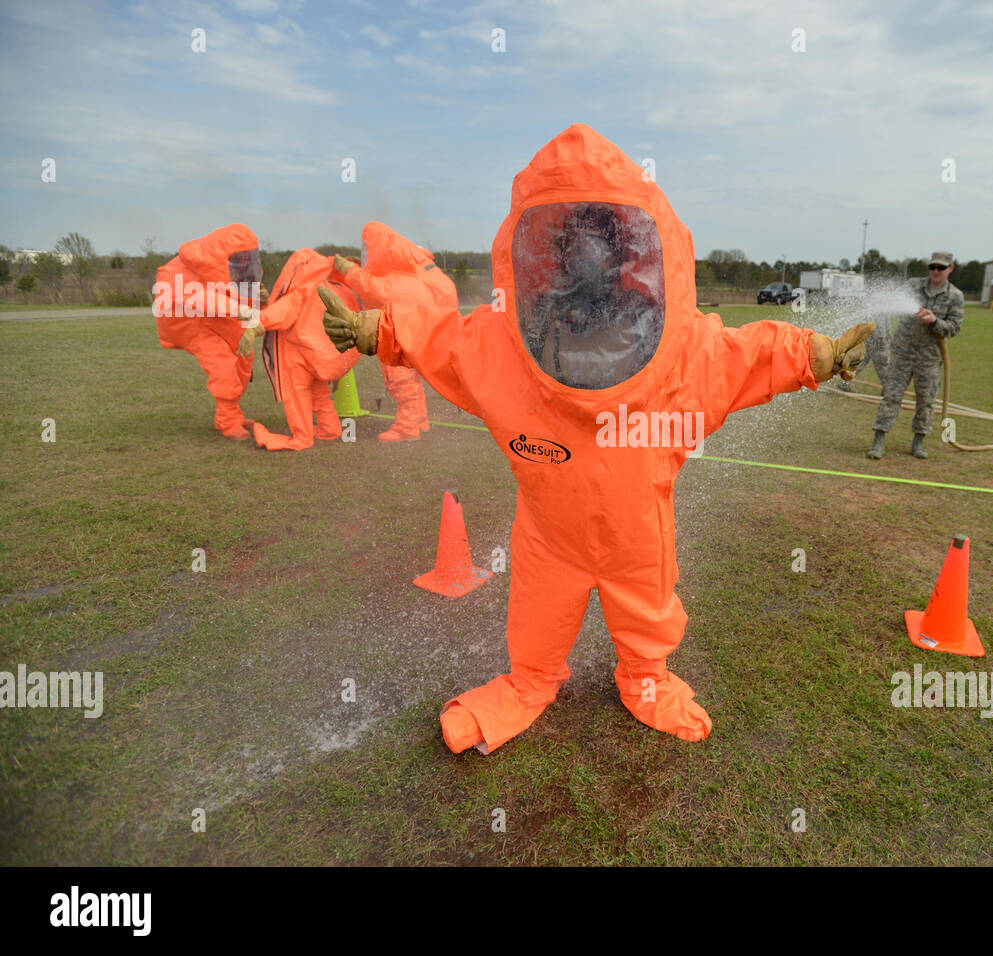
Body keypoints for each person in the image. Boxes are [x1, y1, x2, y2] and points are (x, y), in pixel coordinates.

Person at [317, 124, 873, 755]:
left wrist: (815, 353)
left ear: (625, 249)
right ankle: (528, 682)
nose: (582, 257)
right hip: (547, 535)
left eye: (595, 242)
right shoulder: (510, 343)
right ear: (546, 251)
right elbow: (445, 341)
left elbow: (743, 354)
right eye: (570, 242)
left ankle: (645, 678)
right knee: (535, 619)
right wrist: (376, 327)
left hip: (638, 532)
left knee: (647, 611)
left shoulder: (680, 348)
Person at [334, 223, 458, 442]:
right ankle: (418, 421)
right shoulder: (418, 269)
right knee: (411, 376)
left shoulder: (404, 276)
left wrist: (348, 270)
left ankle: (407, 428)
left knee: (400, 378)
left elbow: (377, 290)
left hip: (405, 330)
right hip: (423, 329)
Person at [153, 224, 267, 438]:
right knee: (223, 368)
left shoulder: (234, 270)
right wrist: (238, 308)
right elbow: (197, 297)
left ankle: (232, 412)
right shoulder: (179, 269)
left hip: (221, 319)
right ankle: (228, 423)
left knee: (243, 359)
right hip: (195, 323)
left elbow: (239, 294)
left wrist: (260, 302)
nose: (246, 265)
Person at [244, 249, 362, 450]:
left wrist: (253, 328)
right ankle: (330, 428)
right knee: (319, 394)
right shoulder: (337, 289)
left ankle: (302, 436)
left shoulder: (302, 292)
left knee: (296, 396)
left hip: (298, 357)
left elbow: (280, 313)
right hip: (323, 358)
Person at [868, 252, 964, 459]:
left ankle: (918, 443)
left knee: (926, 401)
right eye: (933, 267)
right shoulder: (913, 285)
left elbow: (954, 328)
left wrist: (934, 321)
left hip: (929, 358)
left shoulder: (955, 296)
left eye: (941, 268)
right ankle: (879, 441)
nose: (936, 272)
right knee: (891, 396)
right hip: (902, 353)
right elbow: (895, 303)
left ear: (950, 269)